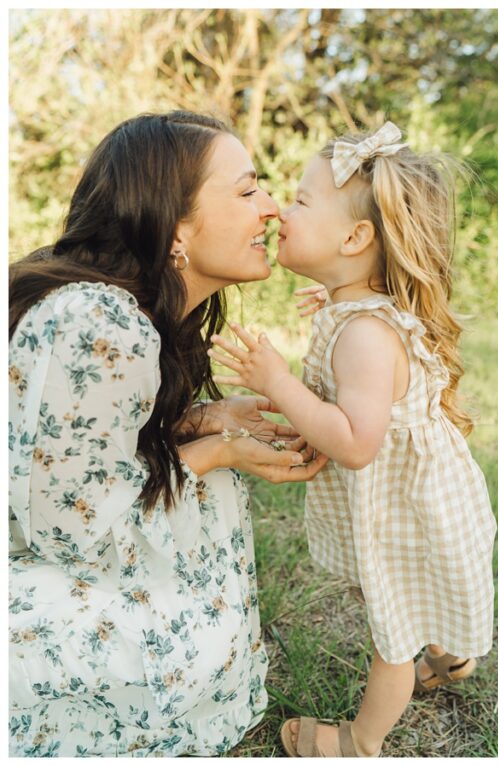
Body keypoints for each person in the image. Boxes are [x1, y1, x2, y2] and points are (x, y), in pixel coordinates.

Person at [8, 111, 329, 757]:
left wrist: (200, 419)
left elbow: (80, 439)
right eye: (246, 191)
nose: (271, 209)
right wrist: (217, 452)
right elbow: (67, 534)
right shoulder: (101, 323)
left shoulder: (132, 311)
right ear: (176, 225)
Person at [208, 122, 497, 757]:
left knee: (392, 632)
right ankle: (450, 657)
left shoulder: (366, 335)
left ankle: (360, 741)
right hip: (418, 507)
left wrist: (280, 383)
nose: (281, 209)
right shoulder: (360, 308)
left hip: (406, 516)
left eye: (303, 200)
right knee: (425, 589)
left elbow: (356, 442)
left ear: (355, 237)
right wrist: (334, 294)